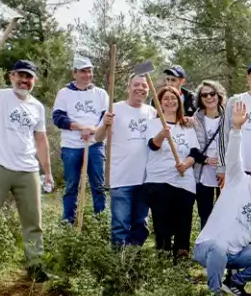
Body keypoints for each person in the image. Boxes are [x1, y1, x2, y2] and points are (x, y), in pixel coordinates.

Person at [194, 102, 251, 296]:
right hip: (207, 248)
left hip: (237, 253)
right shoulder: (236, 179)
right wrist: (236, 129)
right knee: (218, 247)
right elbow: (233, 155)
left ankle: (235, 282)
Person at [0, 59, 52, 281]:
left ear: (34, 81)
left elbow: (41, 141)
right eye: (20, 75)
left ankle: (35, 267)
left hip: (27, 169)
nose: (24, 80)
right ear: (12, 76)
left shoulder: (37, 107)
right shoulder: (1, 96)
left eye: (29, 77)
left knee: (33, 222)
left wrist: (47, 172)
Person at [94, 74, 156, 247]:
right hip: (121, 177)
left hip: (145, 178)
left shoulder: (152, 112)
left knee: (140, 224)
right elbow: (98, 138)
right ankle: (118, 264)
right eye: (136, 84)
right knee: (120, 224)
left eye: (144, 86)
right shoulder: (114, 109)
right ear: (128, 87)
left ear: (148, 90)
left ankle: (132, 260)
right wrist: (105, 125)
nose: (140, 88)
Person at [145, 86, 204, 257]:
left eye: (174, 98)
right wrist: (162, 135)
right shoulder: (153, 124)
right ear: (160, 104)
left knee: (183, 219)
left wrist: (186, 163)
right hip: (159, 179)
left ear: (179, 103)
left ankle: (181, 253)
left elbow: (195, 152)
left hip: (184, 181)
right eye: (166, 99)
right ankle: (163, 253)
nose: (170, 101)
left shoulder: (186, 126)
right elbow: (152, 145)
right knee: (161, 220)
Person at [52, 57, 110, 224]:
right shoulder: (64, 93)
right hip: (71, 146)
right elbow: (58, 117)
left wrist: (92, 129)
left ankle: (100, 223)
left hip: (95, 144)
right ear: (75, 73)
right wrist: (80, 127)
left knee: (98, 185)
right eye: (83, 71)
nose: (87, 74)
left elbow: (105, 117)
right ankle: (68, 222)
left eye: (89, 71)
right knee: (71, 185)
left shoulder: (100, 93)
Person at [192, 81, 226, 228]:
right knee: (204, 213)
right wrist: (205, 159)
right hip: (202, 172)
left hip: (224, 172)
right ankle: (205, 245)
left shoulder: (228, 117)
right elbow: (190, 147)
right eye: (204, 95)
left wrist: (224, 163)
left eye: (212, 94)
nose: (209, 97)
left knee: (223, 212)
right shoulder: (195, 118)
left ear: (218, 96)